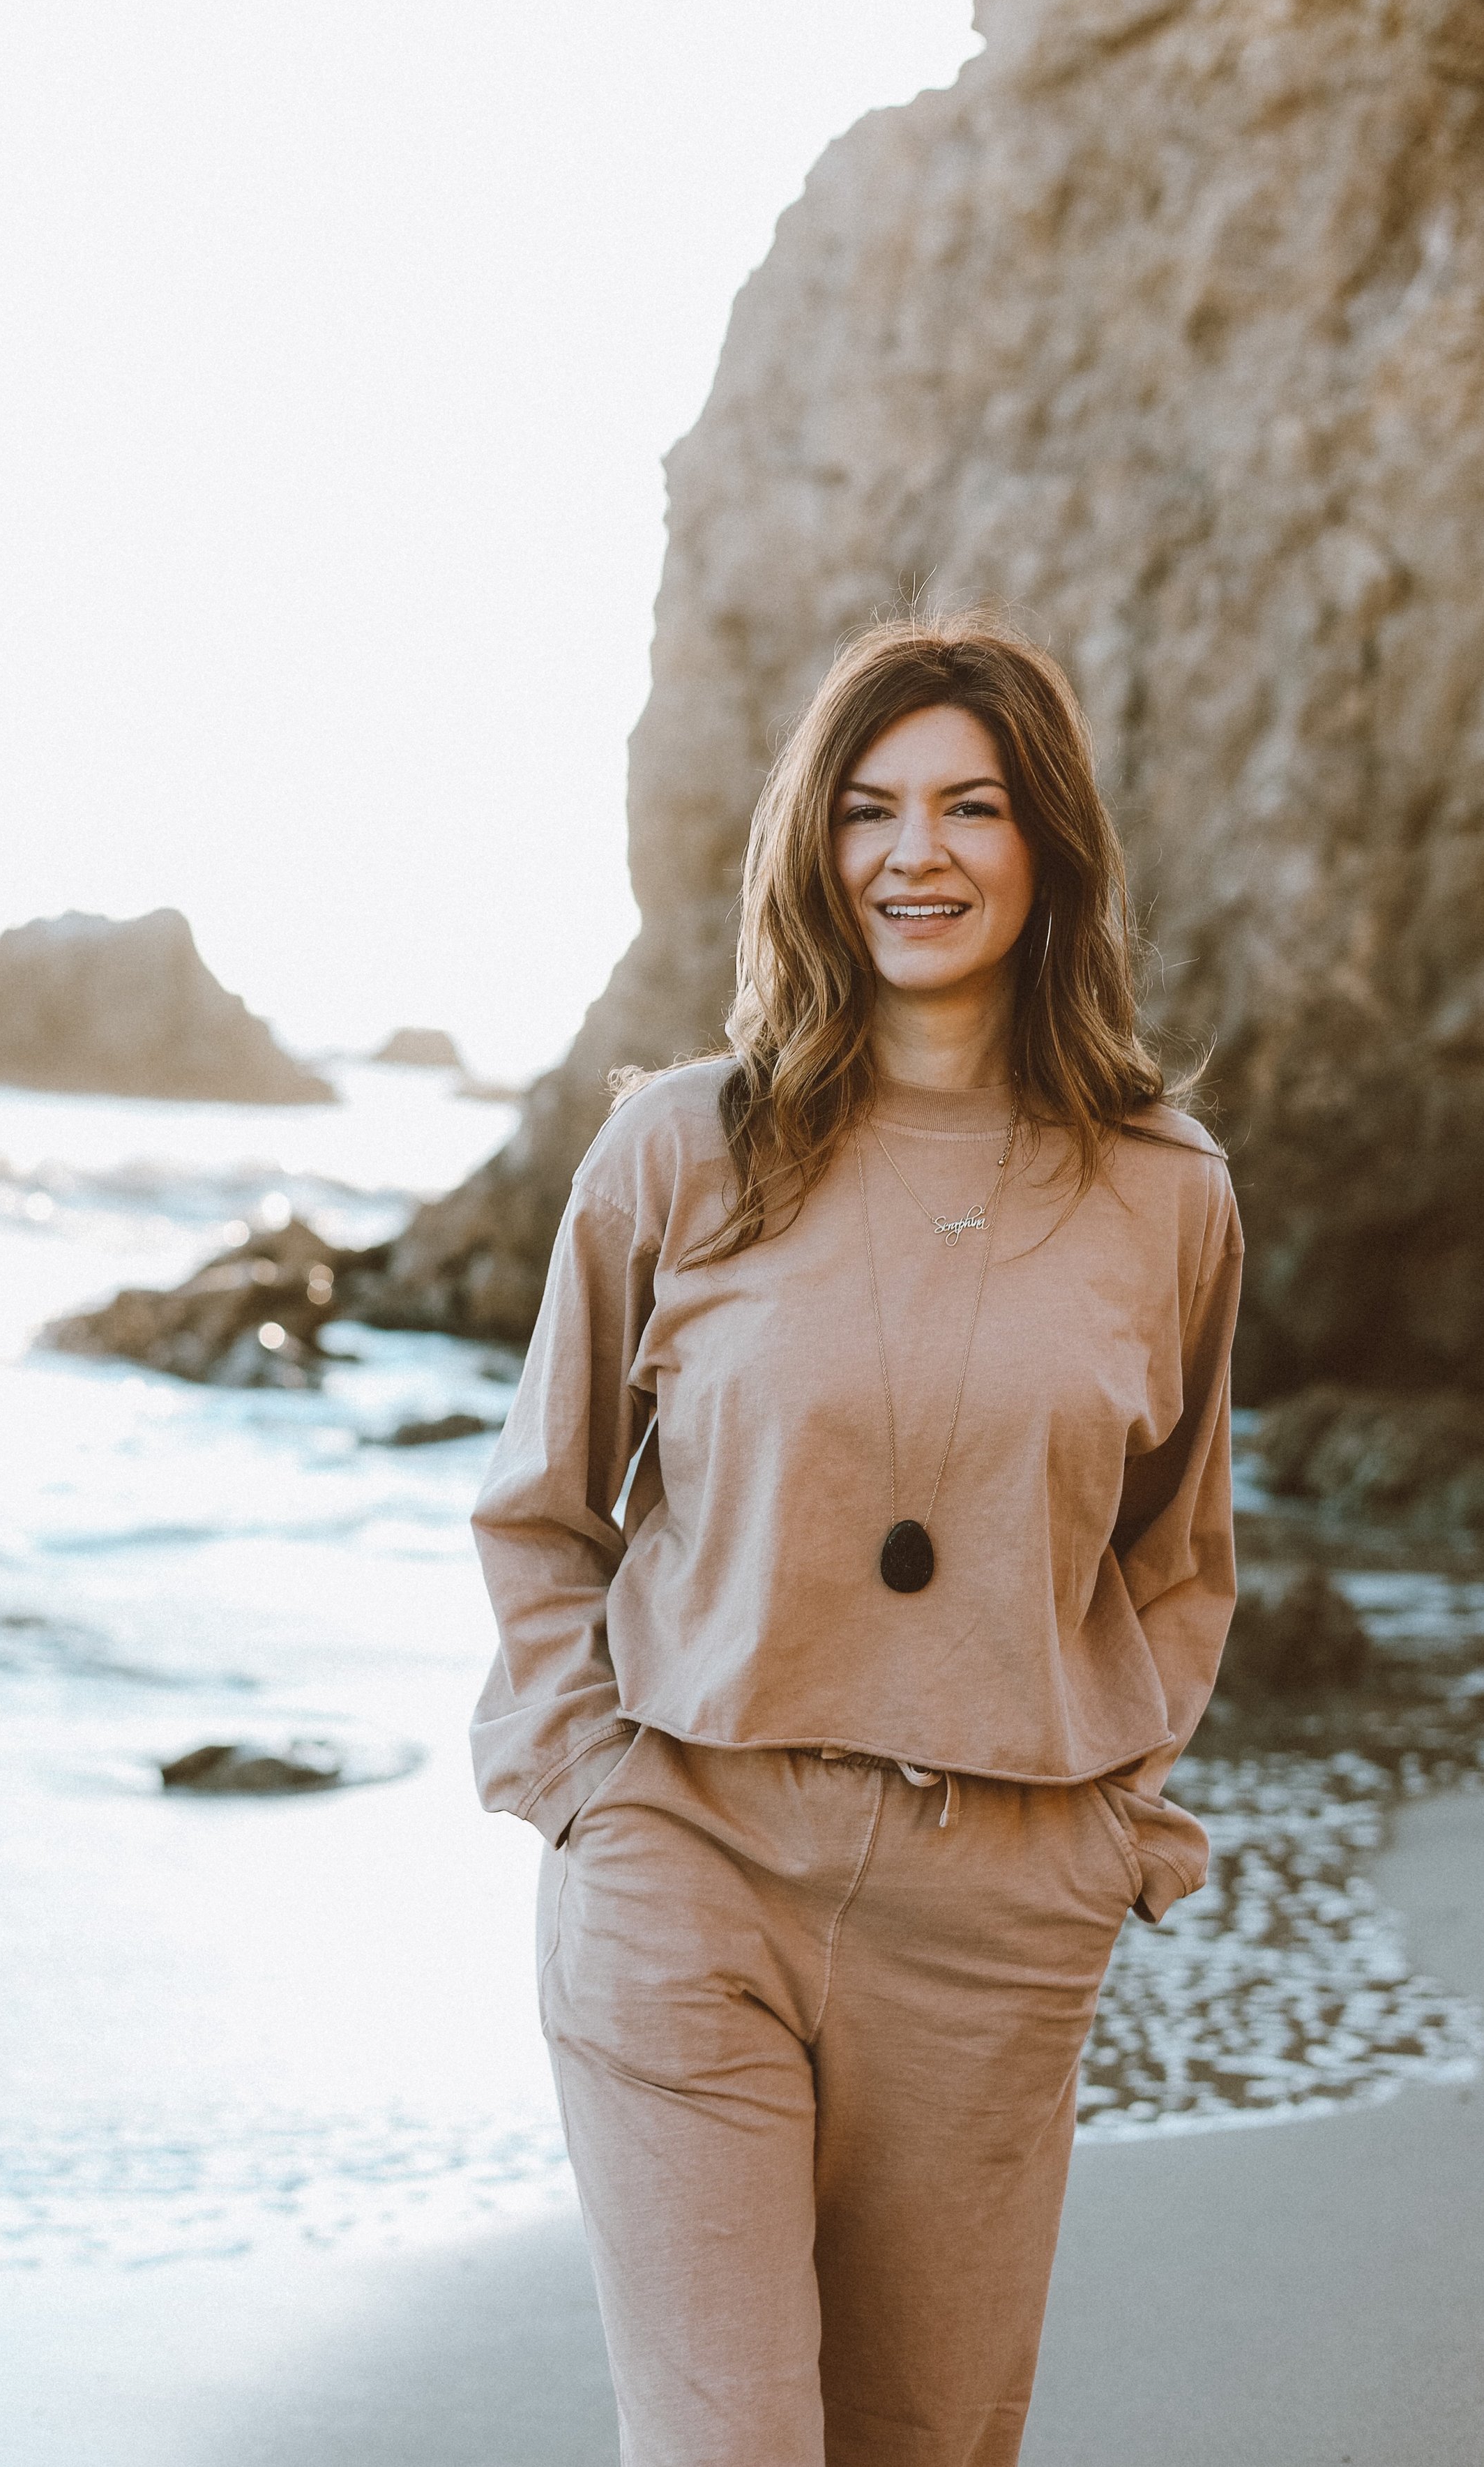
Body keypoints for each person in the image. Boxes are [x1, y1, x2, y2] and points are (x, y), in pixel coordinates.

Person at [470, 615, 1243, 2467]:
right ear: (811, 852)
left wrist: (1099, 1830)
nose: (916, 855)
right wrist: (597, 1786)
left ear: (1045, 843)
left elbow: (1172, 1554)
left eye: (970, 807)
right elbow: (543, 1506)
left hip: (994, 1921)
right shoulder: (679, 1149)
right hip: (687, 1869)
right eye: (867, 810)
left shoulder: (1165, 1191)